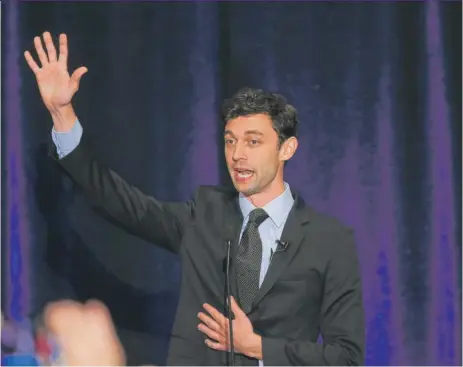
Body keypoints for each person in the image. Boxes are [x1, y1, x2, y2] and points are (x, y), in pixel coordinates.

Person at [24, 32, 365, 366]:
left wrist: (259, 347)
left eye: (253, 141)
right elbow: (122, 203)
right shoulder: (204, 214)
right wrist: (62, 114)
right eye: (231, 141)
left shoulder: (329, 241)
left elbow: (347, 356)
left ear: (286, 148)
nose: (238, 155)